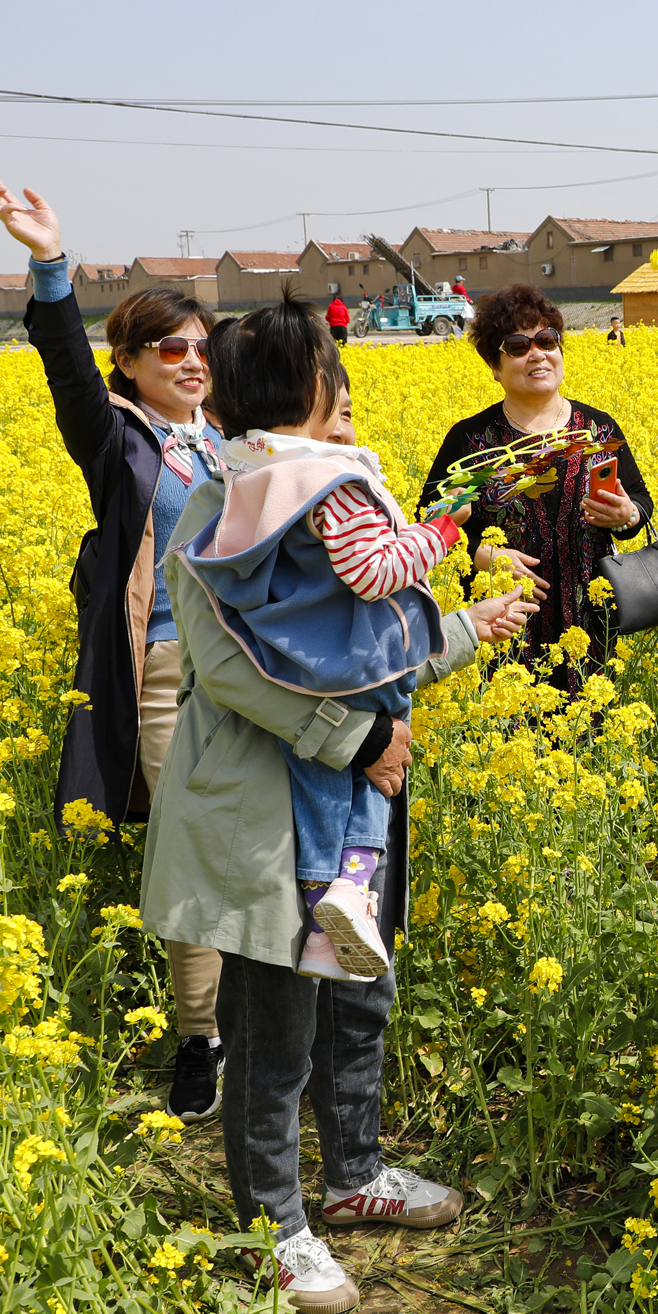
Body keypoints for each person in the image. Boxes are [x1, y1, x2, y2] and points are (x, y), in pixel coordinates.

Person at [145, 323, 534, 1314]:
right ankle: (272, 1227)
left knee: (356, 992)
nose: (351, 409)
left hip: (352, 811)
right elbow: (231, 671)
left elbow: (356, 645)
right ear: (285, 394)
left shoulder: (311, 495)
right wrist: (355, 741)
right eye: (339, 393)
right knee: (273, 1026)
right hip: (274, 814)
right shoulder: (217, 509)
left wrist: (462, 630)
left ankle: (354, 1171)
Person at [0, 172, 230, 1126]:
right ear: (129, 361)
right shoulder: (116, 438)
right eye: (172, 348)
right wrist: (50, 261)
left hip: (257, 672)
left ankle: (278, 1012)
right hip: (168, 668)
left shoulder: (233, 439)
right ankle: (199, 1035)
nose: (192, 362)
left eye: (202, 348)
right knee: (190, 846)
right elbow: (65, 370)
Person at [178, 299, 469, 984]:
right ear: (307, 390)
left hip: (291, 664)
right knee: (374, 770)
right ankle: (352, 887)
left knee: (319, 788)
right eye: (331, 381)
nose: (343, 398)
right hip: (349, 671)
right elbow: (371, 573)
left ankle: (323, 922)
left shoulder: (245, 471)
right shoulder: (326, 480)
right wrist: (438, 536)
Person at [417, 285, 654, 698]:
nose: (538, 354)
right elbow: (430, 519)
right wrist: (482, 554)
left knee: (588, 740)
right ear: (494, 365)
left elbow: (639, 502)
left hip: (590, 624)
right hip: (504, 623)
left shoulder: (597, 429)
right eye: (518, 346)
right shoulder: (472, 441)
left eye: (547, 341)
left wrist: (627, 515)